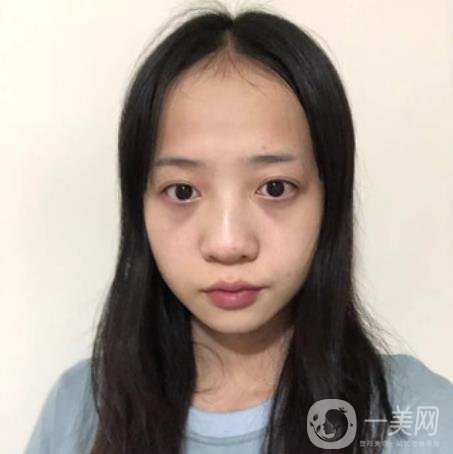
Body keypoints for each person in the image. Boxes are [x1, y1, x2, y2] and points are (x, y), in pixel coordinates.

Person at [25, 4, 453, 454]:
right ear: (140, 205)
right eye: (183, 191)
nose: (228, 244)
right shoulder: (77, 412)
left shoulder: (417, 419)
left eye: (275, 188)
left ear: (330, 198)